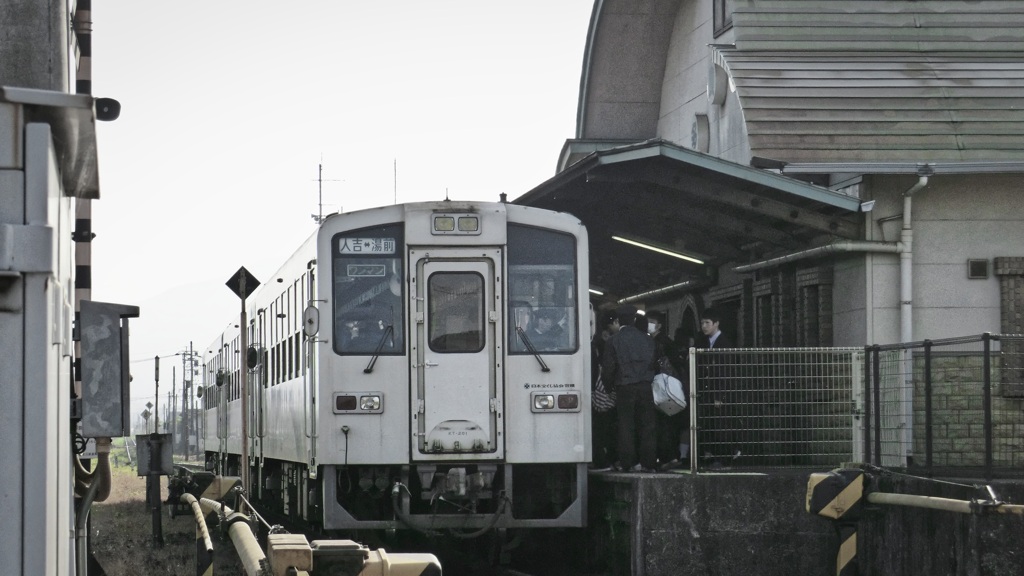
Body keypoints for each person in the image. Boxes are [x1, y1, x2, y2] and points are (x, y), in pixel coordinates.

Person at [602, 304, 658, 473]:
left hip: (624, 386)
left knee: (626, 425)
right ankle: (648, 462)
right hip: (646, 385)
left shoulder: (613, 340)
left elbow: (608, 367)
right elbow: (654, 363)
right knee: (648, 425)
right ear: (634, 319)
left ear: (619, 321)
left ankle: (627, 463)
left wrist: (609, 386)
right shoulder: (648, 339)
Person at [695, 308, 738, 468]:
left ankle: (724, 456)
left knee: (722, 424)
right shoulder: (707, 342)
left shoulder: (723, 343)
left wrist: (719, 395)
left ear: (716, 324)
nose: (704, 326)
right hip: (709, 390)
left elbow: (725, 371)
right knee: (712, 423)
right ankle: (714, 454)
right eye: (702, 323)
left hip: (720, 391)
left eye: (707, 323)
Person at [647, 312, 687, 470]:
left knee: (663, 424)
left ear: (659, 325)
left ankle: (668, 457)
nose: (649, 324)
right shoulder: (665, 341)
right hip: (670, 387)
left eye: (652, 321)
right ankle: (672, 456)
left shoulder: (659, 342)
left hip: (662, 388)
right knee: (669, 423)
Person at [591, 309, 620, 470]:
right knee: (609, 427)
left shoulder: (594, 343)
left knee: (600, 427)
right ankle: (611, 458)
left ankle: (603, 458)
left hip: (598, 392)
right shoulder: (610, 342)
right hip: (607, 391)